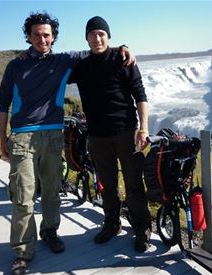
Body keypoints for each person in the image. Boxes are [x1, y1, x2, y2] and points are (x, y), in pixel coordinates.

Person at [0, 12, 134, 275]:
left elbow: (97, 49)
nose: (42, 39)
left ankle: (50, 232)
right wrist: (3, 137)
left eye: (47, 34)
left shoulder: (63, 61)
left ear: (53, 37)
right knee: (23, 196)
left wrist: (122, 48)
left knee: (51, 190)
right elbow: (3, 102)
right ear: (28, 36)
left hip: (52, 135)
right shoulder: (16, 65)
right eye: (36, 34)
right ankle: (23, 252)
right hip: (23, 137)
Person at [68, 16, 152, 253]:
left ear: (108, 36)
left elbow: (140, 95)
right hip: (97, 137)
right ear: (86, 38)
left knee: (134, 184)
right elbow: (51, 67)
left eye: (101, 34)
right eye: (92, 34)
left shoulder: (122, 59)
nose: (97, 38)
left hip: (127, 133)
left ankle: (142, 228)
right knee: (107, 184)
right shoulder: (81, 67)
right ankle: (112, 224)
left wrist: (143, 128)